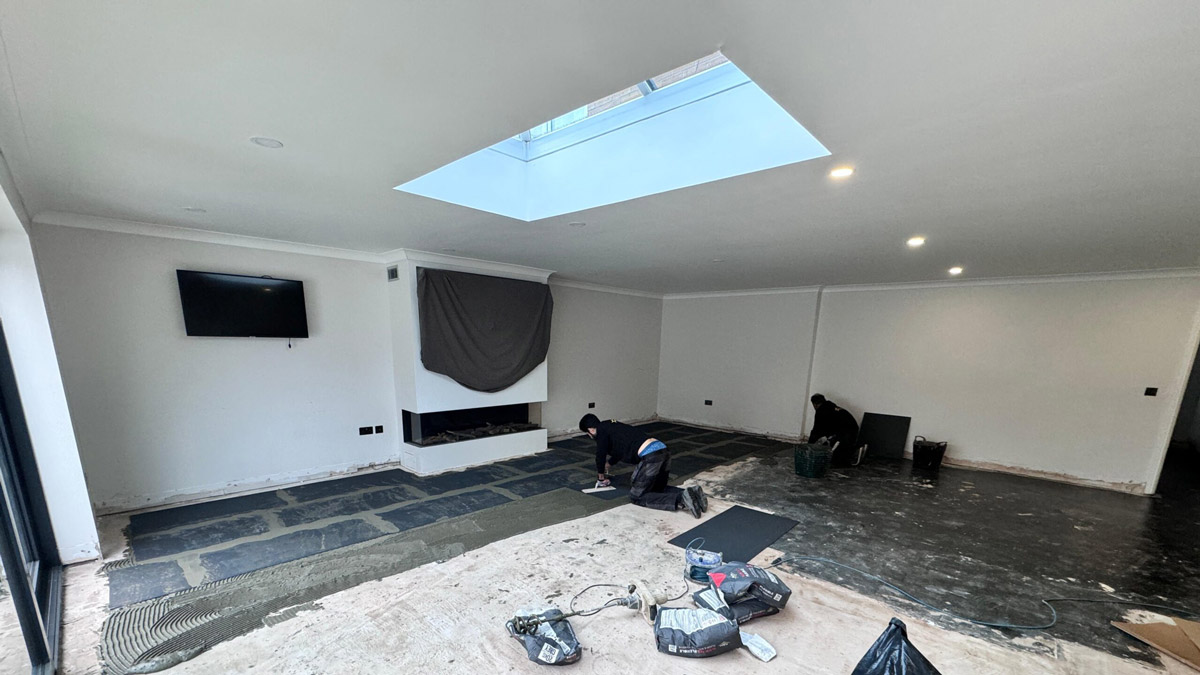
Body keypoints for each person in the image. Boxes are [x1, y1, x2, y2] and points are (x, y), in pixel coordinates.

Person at [579, 413, 707, 518]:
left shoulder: (601, 431)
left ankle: (681, 498)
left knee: (637, 496)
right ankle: (692, 493)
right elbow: (620, 450)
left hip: (651, 456)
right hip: (663, 450)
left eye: (588, 434)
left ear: (590, 430)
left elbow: (600, 455)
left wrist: (601, 477)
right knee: (656, 488)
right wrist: (610, 463)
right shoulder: (612, 426)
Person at [808, 394, 861, 466]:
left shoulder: (821, 411)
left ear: (815, 404)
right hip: (852, 429)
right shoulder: (831, 407)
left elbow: (816, 430)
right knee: (833, 440)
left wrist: (809, 446)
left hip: (845, 432)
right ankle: (852, 452)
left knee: (835, 459)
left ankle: (845, 459)